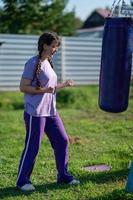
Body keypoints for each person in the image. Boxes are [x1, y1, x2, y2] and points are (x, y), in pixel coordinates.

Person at [16, 31, 80, 192]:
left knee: (62, 140)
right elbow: (23, 87)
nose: (55, 49)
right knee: (33, 146)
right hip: (35, 113)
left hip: (51, 111)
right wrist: (43, 90)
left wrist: (64, 85)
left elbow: (50, 88)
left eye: (56, 47)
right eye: (53, 46)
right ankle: (22, 181)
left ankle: (63, 176)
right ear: (45, 45)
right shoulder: (32, 62)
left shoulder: (48, 63)